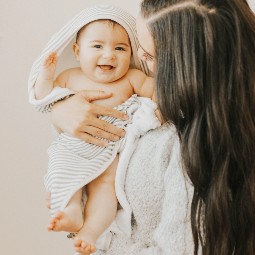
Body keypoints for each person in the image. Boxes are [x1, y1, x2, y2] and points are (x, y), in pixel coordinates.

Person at [30, 0, 255, 254]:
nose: (139, 63)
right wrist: (60, 110)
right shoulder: (155, 113)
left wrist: (100, 238)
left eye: (147, 56)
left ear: (186, 67)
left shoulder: (192, 147)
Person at [33, 10, 160, 255]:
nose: (109, 54)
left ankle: (89, 232)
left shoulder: (132, 77)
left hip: (110, 147)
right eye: (98, 46)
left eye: (120, 49)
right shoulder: (70, 77)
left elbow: (157, 92)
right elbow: (43, 98)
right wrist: (46, 75)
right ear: (78, 52)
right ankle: (70, 212)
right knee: (62, 174)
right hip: (74, 146)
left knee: (106, 187)